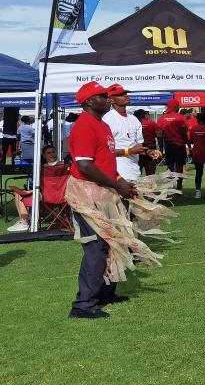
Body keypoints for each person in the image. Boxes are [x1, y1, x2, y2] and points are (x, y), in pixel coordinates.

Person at [65, 82, 175, 319]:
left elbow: (105, 161)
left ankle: (105, 293)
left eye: (107, 95)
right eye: (102, 96)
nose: (107, 98)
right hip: (88, 194)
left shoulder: (102, 125)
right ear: (88, 102)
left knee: (114, 243)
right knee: (97, 246)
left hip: (105, 191)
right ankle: (83, 305)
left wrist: (120, 182)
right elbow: (84, 166)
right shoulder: (84, 126)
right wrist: (117, 183)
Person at [101, 85, 152, 184]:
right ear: (111, 100)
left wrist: (148, 152)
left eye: (125, 93)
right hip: (117, 172)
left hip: (134, 170)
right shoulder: (107, 119)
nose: (125, 96)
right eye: (120, 94)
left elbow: (138, 146)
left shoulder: (133, 119)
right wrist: (129, 151)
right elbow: (104, 151)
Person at [6, 145, 61, 232]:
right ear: (44, 155)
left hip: (48, 196)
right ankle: (23, 221)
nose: (52, 155)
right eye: (48, 153)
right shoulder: (61, 166)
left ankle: (24, 223)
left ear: (57, 153)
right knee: (18, 192)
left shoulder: (58, 167)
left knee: (20, 194)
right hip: (55, 195)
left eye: (53, 152)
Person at [157, 99, 190, 190]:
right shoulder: (180, 117)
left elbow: (159, 135)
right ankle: (178, 190)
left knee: (170, 168)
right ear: (175, 107)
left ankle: (170, 189)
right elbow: (184, 134)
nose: (179, 107)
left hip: (168, 145)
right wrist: (189, 144)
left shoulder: (162, 118)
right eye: (178, 106)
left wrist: (161, 148)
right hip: (179, 145)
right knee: (179, 168)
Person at [134, 110, 159, 176]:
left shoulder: (133, 124)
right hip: (150, 149)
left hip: (136, 149)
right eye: (148, 114)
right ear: (145, 115)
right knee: (151, 173)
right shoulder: (151, 123)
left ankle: (136, 186)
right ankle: (150, 186)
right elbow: (159, 136)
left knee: (136, 173)